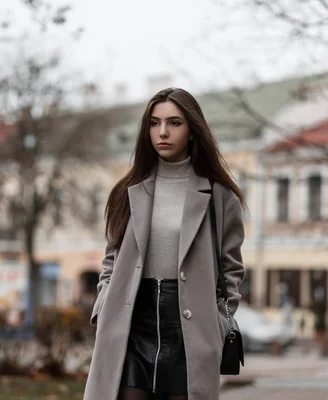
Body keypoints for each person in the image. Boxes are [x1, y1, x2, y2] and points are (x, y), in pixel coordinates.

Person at [83, 88, 246, 400]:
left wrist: (219, 322)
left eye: (174, 123)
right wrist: (104, 305)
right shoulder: (127, 191)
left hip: (190, 331)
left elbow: (232, 270)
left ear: (193, 130)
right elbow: (111, 261)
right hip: (130, 326)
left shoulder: (220, 195)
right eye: (154, 123)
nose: (162, 132)